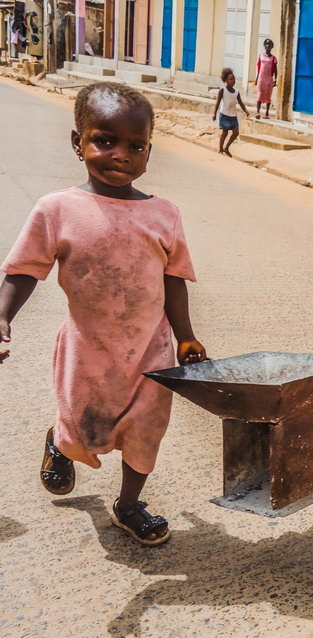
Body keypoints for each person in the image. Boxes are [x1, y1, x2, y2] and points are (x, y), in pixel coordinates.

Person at [0, 82, 207, 546]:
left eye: (136, 146)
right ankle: (60, 442)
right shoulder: (57, 210)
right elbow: (25, 270)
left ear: (149, 153)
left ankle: (129, 505)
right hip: (87, 351)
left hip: (151, 354)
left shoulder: (164, 215)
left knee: (146, 432)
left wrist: (186, 337)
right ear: (78, 142)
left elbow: (174, 279)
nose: (121, 154)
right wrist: (2, 316)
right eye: (105, 140)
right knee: (81, 426)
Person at [213, 68, 249, 157]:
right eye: (230, 79)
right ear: (225, 80)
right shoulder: (222, 90)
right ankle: (220, 149)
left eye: (234, 79)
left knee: (236, 133)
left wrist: (246, 111)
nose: (233, 81)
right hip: (224, 114)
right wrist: (214, 113)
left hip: (233, 115)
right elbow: (217, 102)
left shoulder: (236, 92)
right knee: (224, 133)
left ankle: (226, 147)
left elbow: (241, 103)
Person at [254, 39, 278, 120]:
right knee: (260, 94)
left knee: (268, 95)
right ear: (264, 45)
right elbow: (259, 68)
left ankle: (267, 113)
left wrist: (275, 79)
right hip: (261, 78)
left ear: (272, 46)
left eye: (270, 44)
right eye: (266, 44)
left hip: (269, 79)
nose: (268, 46)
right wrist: (256, 79)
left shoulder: (273, 58)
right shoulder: (260, 56)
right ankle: (257, 112)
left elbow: (275, 70)